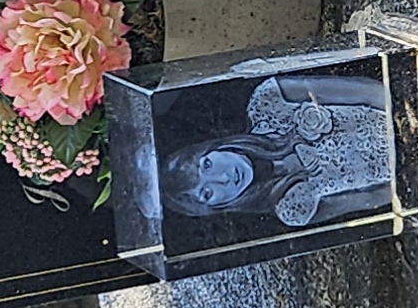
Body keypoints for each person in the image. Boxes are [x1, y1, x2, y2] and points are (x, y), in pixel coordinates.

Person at [160, 60, 395, 236]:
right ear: (215, 207)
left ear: (212, 148)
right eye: (207, 193)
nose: (223, 178)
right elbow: (372, 198)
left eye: (207, 165)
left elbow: (367, 91)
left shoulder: (269, 101)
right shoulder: (292, 209)